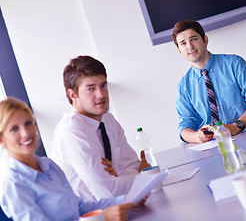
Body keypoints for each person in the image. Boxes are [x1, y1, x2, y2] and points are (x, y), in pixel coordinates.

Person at [0, 97, 134, 221]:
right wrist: (104, 217)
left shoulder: (49, 165)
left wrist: (127, 200)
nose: (25, 133)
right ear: (2, 139)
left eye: (28, 123)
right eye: (14, 129)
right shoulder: (14, 185)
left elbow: (79, 208)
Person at [50, 56, 150, 202]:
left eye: (103, 85)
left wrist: (119, 178)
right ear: (73, 94)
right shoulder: (72, 131)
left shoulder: (108, 120)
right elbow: (109, 193)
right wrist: (136, 177)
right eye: (91, 88)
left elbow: (132, 163)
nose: (101, 95)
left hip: (119, 209)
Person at [173, 20, 246, 144]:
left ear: (205, 40)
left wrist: (236, 127)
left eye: (193, 39)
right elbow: (185, 125)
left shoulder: (234, 63)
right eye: (183, 43)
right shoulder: (184, 86)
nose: (189, 46)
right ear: (179, 50)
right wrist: (197, 137)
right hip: (213, 146)